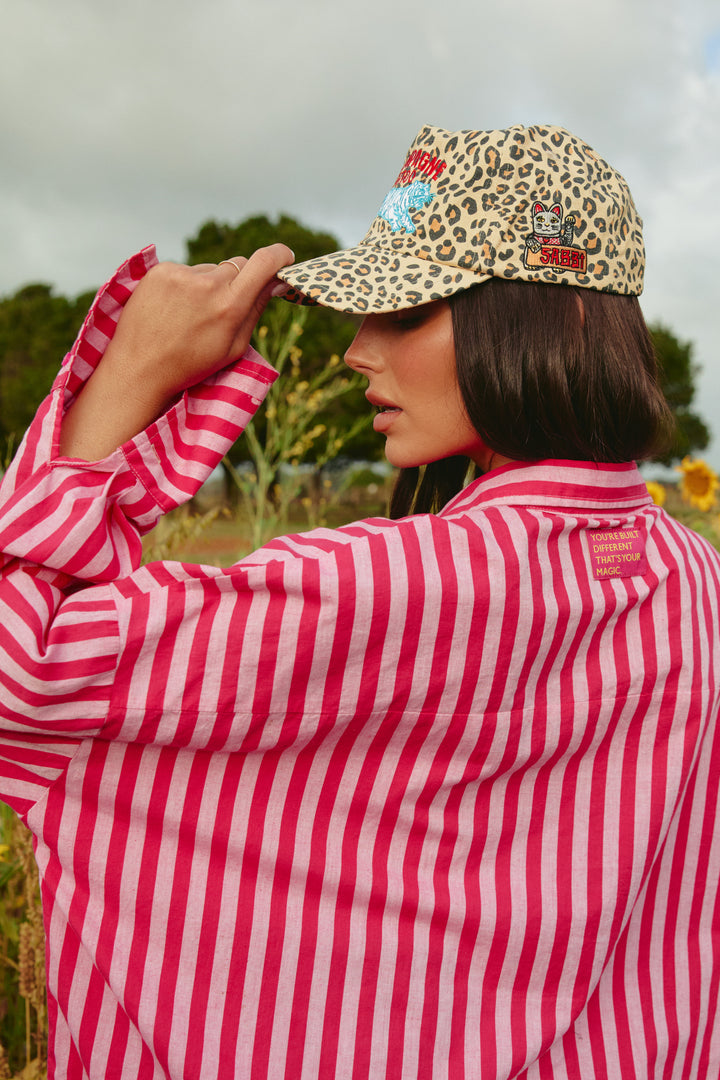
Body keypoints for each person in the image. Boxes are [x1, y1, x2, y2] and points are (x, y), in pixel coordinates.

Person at [0, 122, 718, 1079]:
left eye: (406, 313)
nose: (358, 353)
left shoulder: (371, 589)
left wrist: (128, 380)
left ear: (566, 321)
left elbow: (24, 680)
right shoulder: (696, 583)